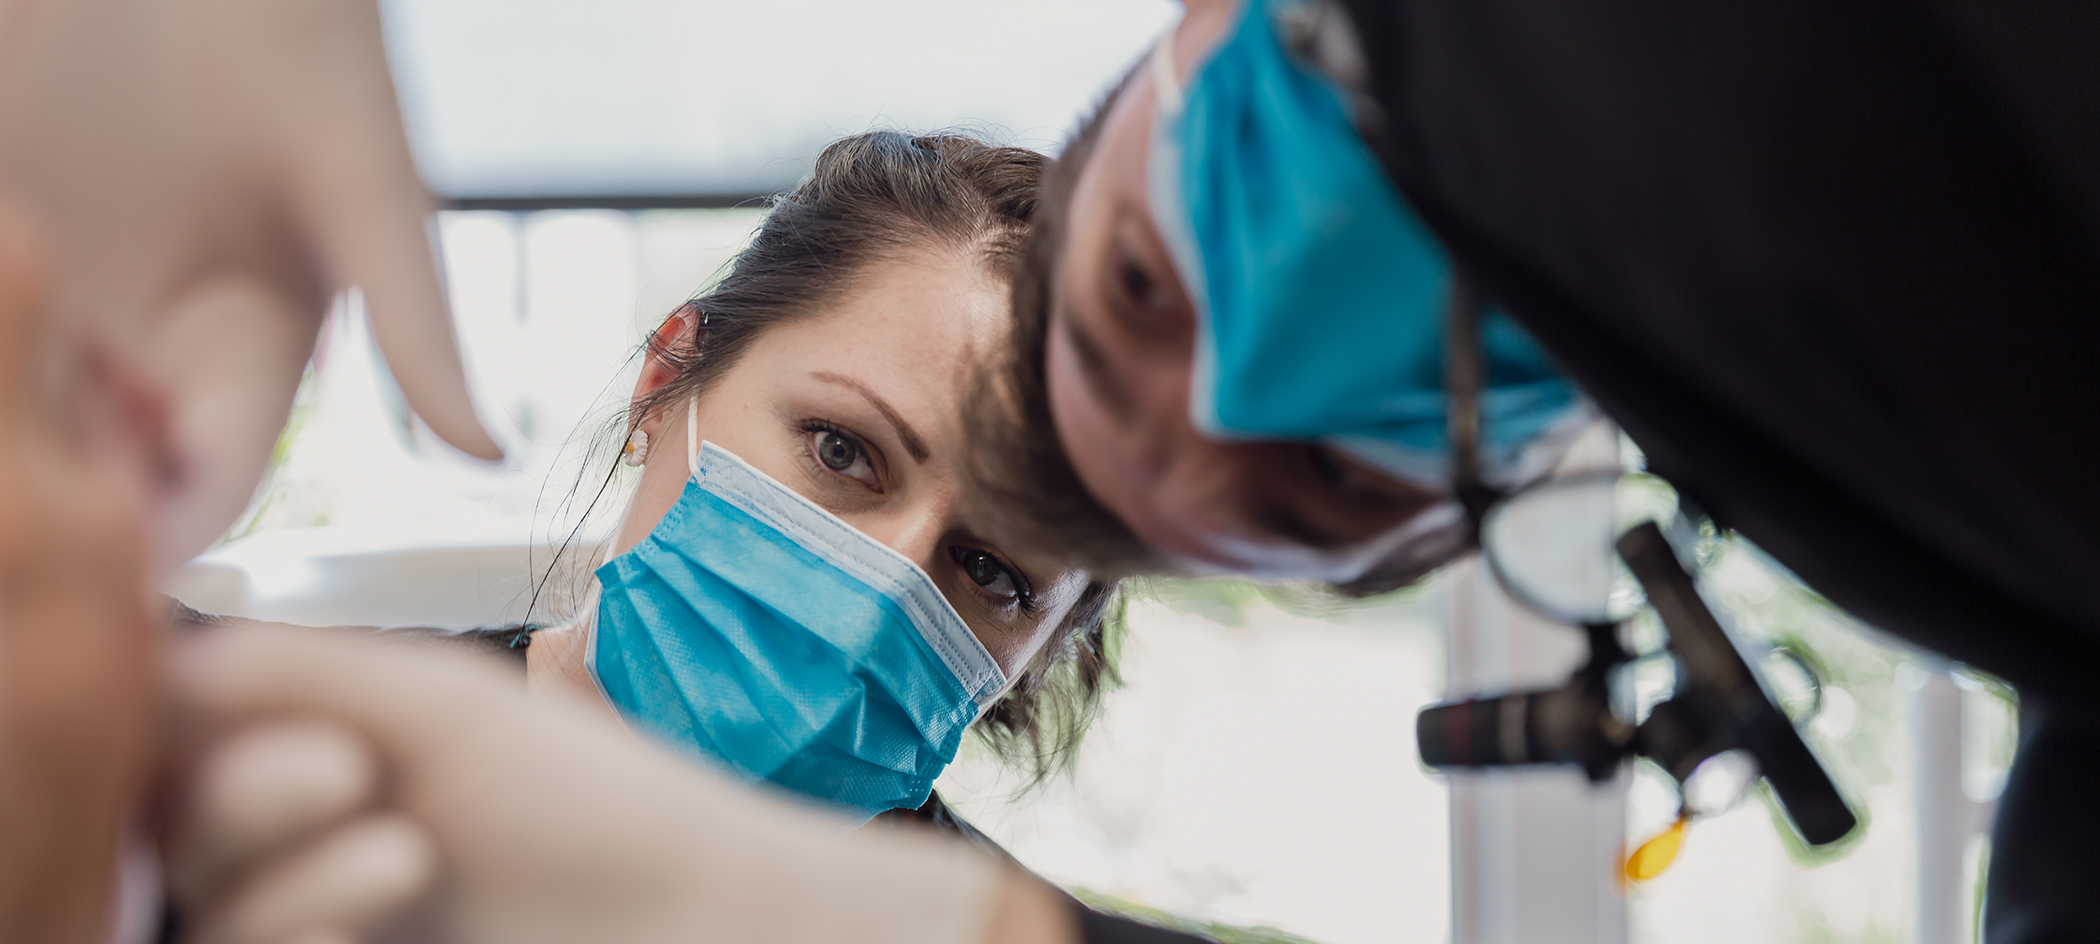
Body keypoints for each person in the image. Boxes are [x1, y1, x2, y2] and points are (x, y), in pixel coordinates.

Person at [970, 0, 2100, 940]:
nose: (1244, 376)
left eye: (1140, 289)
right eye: (1325, 466)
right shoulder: (1874, 468)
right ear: (1513, 474)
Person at [183, 130, 1124, 829]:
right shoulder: (208, 752)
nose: (881, 592)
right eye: (842, 450)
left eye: (992, 570)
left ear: (1039, 650)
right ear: (665, 382)